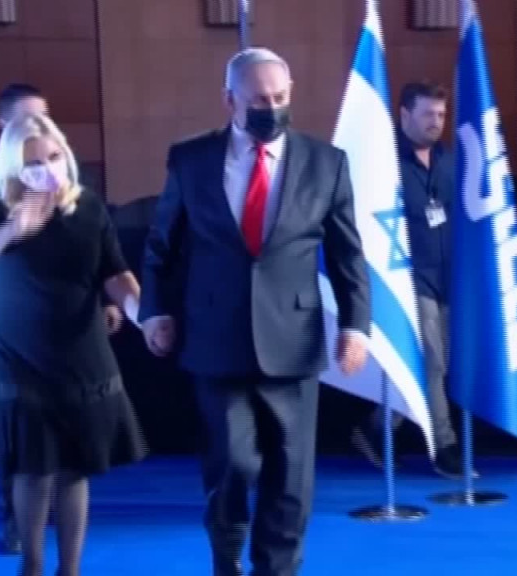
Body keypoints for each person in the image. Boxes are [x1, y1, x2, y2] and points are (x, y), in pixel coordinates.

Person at [139, 47, 370, 576]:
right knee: (233, 463)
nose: (272, 107)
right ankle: (227, 558)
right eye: (259, 100)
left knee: (291, 474)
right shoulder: (191, 160)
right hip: (216, 338)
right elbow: (161, 245)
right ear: (230, 101)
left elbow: (347, 253)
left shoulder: (326, 163)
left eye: (280, 97)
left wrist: (356, 325)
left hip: (293, 338)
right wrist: (154, 311)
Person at [0, 113, 147, 576]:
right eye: (33, 163)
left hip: (78, 347)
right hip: (14, 352)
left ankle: (70, 569)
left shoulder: (89, 208)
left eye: (54, 157)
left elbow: (115, 271)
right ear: (14, 168)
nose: (47, 168)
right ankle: (33, 565)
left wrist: (143, 312)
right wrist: (13, 229)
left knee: (73, 466)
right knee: (33, 464)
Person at [350, 81, 475, 479]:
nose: (436, 122)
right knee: (432, 363)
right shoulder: (384, 164)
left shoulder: (448, 160)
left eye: (441, 115)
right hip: (407, 279)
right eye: (427, 114)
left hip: (447, 278)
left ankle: (375, 429)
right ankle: (445, 446)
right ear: (404, 115)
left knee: (435, 364)